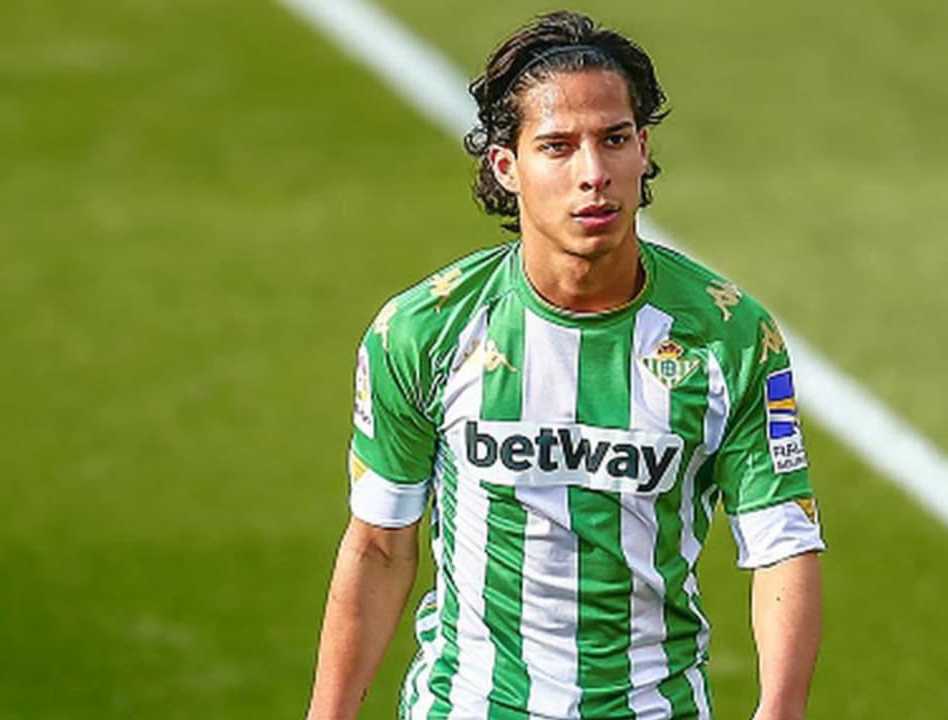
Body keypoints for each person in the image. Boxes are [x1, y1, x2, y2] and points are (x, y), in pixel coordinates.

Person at [305, 11, 824, 720]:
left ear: (643, 149)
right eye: (558, 146)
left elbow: (782, 543)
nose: (593, 174)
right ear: (507, 167)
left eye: (614, 139)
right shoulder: (425, 331)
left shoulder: (730, 337)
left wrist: (781, 709)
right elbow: (379, 546)